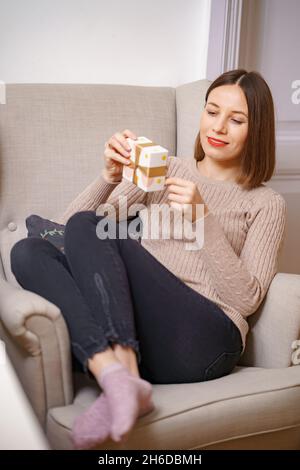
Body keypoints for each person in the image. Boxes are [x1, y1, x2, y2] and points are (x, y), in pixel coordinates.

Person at [10, 69, 287, 449]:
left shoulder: (265, 203)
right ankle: (115, 374)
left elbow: (246, 300)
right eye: (212, 112)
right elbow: (63, 233)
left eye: (236, 119)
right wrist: (108, 177)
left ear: (256, 130)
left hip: (206, 337)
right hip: (146, 336)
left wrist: (202, 218)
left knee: (91, 227)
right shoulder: (166, 168)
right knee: (28, 251)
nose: (219, 127)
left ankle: (121, 376)